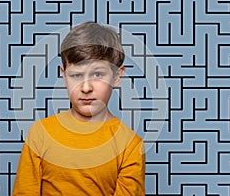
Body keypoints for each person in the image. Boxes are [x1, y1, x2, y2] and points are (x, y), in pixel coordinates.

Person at [12, 21, 145, 195]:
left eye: (98, 74)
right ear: (63, 75)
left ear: (117, 76)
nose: (86, 88)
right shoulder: (40, 133)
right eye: (76, 75)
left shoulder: (130, 145)